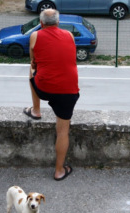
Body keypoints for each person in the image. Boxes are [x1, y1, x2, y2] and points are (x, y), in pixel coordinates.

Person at [23, 9, 80, 181]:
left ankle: (36, 110)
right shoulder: (69, 35)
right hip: (68, 91)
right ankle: (59, 171)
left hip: (44, 88)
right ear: (58, 22)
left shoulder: (35, 36)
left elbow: (33, 61)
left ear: (41, 23)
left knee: (31, 70)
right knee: (63, 131)